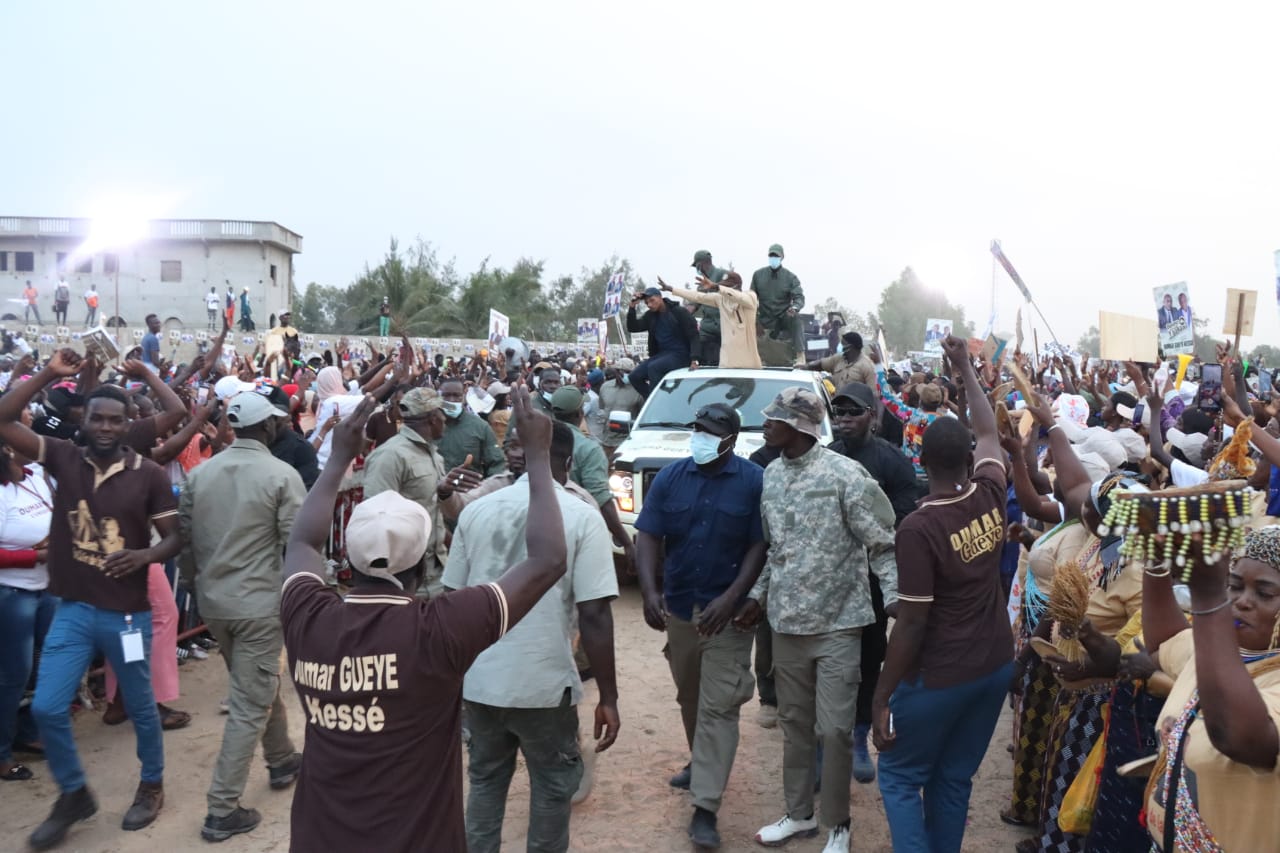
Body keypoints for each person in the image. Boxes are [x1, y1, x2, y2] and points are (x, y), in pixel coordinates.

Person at [278, 387, 568, 853]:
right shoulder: (439, 631)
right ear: (421, 562)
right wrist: (538, 455)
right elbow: (548, 560)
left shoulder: (307, 616)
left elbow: (301, 546)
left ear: (348, 559)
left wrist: (337, 461)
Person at [0, 350, 182, 849]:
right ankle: (74, 793)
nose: (104, 427)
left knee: (142, 707)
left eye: (114, 420)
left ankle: (151, 784)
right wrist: (48, 373)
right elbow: (2, 418)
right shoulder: (62, 455)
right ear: (85, 420)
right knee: (49, 708)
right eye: (96, 418)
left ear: (129, 425)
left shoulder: (149, 473)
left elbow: (174, 538)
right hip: (74, 610)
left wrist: (145, 555)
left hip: (126, 616)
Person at [736, 387, 898, 853]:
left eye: (776, 418)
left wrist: (894, 599)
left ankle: (839, 825)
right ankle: (799, 815)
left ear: (801, 426)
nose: (766, 424)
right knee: (795, 725)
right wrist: (757, 595)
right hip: (787, 624)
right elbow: (776, 552)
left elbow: (882, 544)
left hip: (839, 625)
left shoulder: (846, 475)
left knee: (834, 729)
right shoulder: (771, 476)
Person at [445, 420, 619, 853]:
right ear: (570, 460)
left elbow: (452, 600)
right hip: (543, 683)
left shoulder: (478, 509)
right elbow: (594, 614)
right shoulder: (582, 515)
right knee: (553, 788)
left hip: (480, 681)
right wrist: (609, 698)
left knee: (485, 782)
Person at [871, 335, 1015, 853]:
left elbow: (911, 623)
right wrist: (964, 369)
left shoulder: (918, 528)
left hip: (942, 674)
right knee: (953, 779)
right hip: (995, 663)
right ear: (968, 458)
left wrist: (882, 694)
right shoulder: (992, 490)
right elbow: (988, 428)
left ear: (921, 461)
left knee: (902, 777)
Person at [635, 403, 766, 849]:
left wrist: (732, 599)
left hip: (726, 617)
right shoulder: (671, 478)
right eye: (697, 430)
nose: (701, 438)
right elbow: (649, 534)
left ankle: (706, 807)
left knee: (719, 705)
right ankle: (700, 760)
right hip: (680, 608)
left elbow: (758, 545)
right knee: (689, 695)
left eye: (710, 432)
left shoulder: (752, 482)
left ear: (730, 439)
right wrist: (651, 592)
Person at [178, 391, 304, 841]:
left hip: (215, 604)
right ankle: (221, 809)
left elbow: (187, 543)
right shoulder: (281, 474)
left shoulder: (201, 474)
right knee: (251, 701)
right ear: (268, 427)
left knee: (255, 685)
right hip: (258, 605)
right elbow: (299, 545)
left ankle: (284, 758)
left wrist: (196, 586)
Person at [1141, 525, 1280, 852]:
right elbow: (1164, 640)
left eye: (1264, 593)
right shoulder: (1215, 652)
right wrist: (1157, 564)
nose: (1241, 602)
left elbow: (1239, 738)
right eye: (1233, 586)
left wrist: (1209, 596)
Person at [827, 382, 920, 783]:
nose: (844, 420)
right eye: (839, 413)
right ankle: (825, 743)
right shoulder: (825, 458)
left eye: (852, 412)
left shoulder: (892, 461)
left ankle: (861, 736)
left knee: (867, 659)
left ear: (873, 416)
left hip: (871, 580)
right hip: (831, 578)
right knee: (829, 659)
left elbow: (903, 515)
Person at [362, 387, 477, 597]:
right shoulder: (390, 456)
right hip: (405, 579)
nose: (445, 419)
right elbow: (375, 520)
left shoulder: (433, 455)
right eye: (442, 414)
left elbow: (432, 512)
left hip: (438, 571)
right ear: (433, 418)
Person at [0, 430, 55, 784]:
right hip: (12, 594)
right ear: (6, 449)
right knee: (13, 675)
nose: (30, 441)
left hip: (48, 587)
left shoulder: (37, 476)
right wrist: (37, 555)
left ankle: (28, 731)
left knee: (46, 664)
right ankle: (2, 754)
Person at [549, 387, 637, 571]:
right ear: (579, 413)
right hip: (576, 534)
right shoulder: (588, 449)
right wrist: (626, 542)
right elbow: (602, 500)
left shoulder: (541, 438)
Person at [661, 271, 761, 369]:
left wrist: (717, 287)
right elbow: (698, 296)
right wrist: (672, 289)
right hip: (727, 361)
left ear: (737, 286)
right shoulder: (721, 299)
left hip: (748, 362)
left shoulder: (750, 297)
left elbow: (740, 297)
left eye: (727, 286)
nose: (723, 289)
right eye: (723, 286)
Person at [625, 287, 700, 398]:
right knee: (634, 376)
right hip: (662, 354)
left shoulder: (679, 312)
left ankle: (658, 402)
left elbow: (694, 335)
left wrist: (695, 359)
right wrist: (632, 307)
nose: (649, 305)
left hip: (681, 354)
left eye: (652, 300)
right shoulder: (651, 316)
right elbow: (633, 327)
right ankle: (653, 399)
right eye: (646, 303)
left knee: (654, 367)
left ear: (660, 297)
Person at [436, 378, 505, 478]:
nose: (451, 400)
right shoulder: (428, 425)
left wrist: (488, 488)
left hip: (468, 490)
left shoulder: (480, 427)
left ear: (464, 394)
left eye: (456, 395)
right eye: (446, 395)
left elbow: (496, 464)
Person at [750, 244, 805, 366]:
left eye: (776, 255)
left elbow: (799, 297)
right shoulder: (758, 275)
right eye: (771, 255)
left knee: (796, 319)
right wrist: (755, 321)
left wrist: (794, 308)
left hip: (783, 317)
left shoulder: (791, 277)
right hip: (764, 317)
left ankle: (800, 355)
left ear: (782, 257)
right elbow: (751, 300)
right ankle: (750, 357)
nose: (773, 258)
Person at [260, 387, 320, 489]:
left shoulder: (301, 449)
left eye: (273, 417)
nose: (267, 423)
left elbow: (304, 496)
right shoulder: (248, 442)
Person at [590, 359, 642, 458]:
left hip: (627, 442)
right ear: (617, 371)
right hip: (607, 441)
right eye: (624, 371)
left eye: (629, 372)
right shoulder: (605, 387)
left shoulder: (638, 389)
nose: (626, 375)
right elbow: (602, 408)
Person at [687, 249, 728, 367]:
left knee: (719, 362)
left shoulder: (722, 275)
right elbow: (694, 303)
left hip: (724, 328)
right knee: (698, 353)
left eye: (697, 266)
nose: (697, 269)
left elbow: (734, 293)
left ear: (702, 264)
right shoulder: (702, 283)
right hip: (707, 330)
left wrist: (715, 287)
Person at [805, 331, 877, 389]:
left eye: (843, 344)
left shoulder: (867, 366)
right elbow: (820, 364)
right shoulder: (838, 359)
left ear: (851, 347)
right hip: (837, 405)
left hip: (856, 406)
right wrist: (804, 367)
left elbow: (873, 394)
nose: (841, 347)